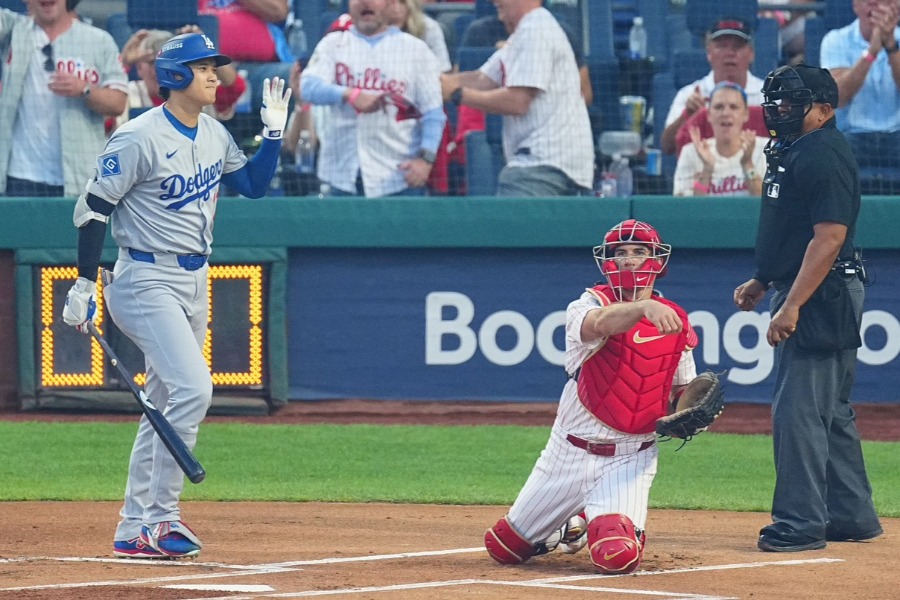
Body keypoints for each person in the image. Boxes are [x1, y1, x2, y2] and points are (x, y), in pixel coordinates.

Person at [61, 32, 290, 559]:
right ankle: (161, 520)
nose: (214, 74)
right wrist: (83, 281)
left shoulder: (212, 132)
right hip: (144, 278)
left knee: (164, 403)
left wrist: (273, 133)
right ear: (175, 76)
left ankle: (133, 525)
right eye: (203, 66)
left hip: (193, 279)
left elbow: (252, 185)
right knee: (193, 390)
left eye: (214, 66)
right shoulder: (138, 136)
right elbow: (92, 208)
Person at [484, 219, 699, 574]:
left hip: (629, 459)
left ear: (657, 260)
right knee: (503, 547)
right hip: (567, 452)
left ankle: (607, 520)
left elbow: (682, 389)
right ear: (606, 262)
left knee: (617, 555)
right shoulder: (585, 305)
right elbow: (599, 324)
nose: (629, 260)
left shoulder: (674, 319)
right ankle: (569, 523)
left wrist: (692, 411)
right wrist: (643, 309)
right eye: (620, 253)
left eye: (639, 251)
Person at [734, 64, 882, 552]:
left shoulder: (822, 153)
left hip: (822, 294)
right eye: (774, 101)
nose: (779, 110)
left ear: (824, 109)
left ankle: (799, 523)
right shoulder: (796, 148)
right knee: (830, 411)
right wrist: (764, 278)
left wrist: (792, 303)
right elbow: (795, 229)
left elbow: (829, 236)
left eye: (791, 103)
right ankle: (852, 515)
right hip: (817, 287)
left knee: (798, 411)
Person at [440, 0, 594, 196]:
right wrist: (436, 83)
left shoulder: (536, 30)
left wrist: (457, 94)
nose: (494, 2)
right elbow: (481, 78)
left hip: (543, 166)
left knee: (505, 226)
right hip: (543, 166)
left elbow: (517, 102)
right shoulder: (522, 34)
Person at [300, 0, 446, 197]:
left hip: (398, 176)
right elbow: (308, 87)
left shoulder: (416, 50)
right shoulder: (332, 44)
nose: (365, 2)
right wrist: (348, 94)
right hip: (341, 173)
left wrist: (426, 160)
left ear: (390, 4)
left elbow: (433, 113)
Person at [0, 0, 128, 197]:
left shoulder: (98, 40)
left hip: (77, 177)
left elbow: (118, 103)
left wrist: (85, 90)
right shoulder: (12, 30)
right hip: (19, 175)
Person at [820, 0, 900, 194]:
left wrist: (891, 47)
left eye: (884, 2)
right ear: (855, 6)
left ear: (896, 6)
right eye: (869, 1)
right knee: (826, 152)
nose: (875, 7)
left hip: (897, 135)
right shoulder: (835, 40)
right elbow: (838, 97)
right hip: (852, 136)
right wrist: (871, 53)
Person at [660, 17, 765, 157]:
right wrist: (687, 115)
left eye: (737, 46)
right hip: (704, 174)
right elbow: (667, 147)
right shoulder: (689, 94)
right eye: (722, 46)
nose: (730, 53)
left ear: (751, 54)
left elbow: (786, 143)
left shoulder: (768, 94)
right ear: (709, 53)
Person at [113, 26, 248, 131]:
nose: (160, 69)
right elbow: (103, 123)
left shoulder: (201, 90)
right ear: (139, 69)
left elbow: (235, 87)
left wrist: (205, 53)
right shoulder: (123, 95)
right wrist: (123, 64)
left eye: (169, 62)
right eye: (151, 62)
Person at [673, 81, 767, 196]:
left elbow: (766, 203)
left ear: (746, 114)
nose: (726, 113)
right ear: (708, 115)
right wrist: (707, 171)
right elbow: (688, 209)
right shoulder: (690, 152)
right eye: (719, 107)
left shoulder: (766, 149)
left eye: (734, 107)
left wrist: (748, 164)